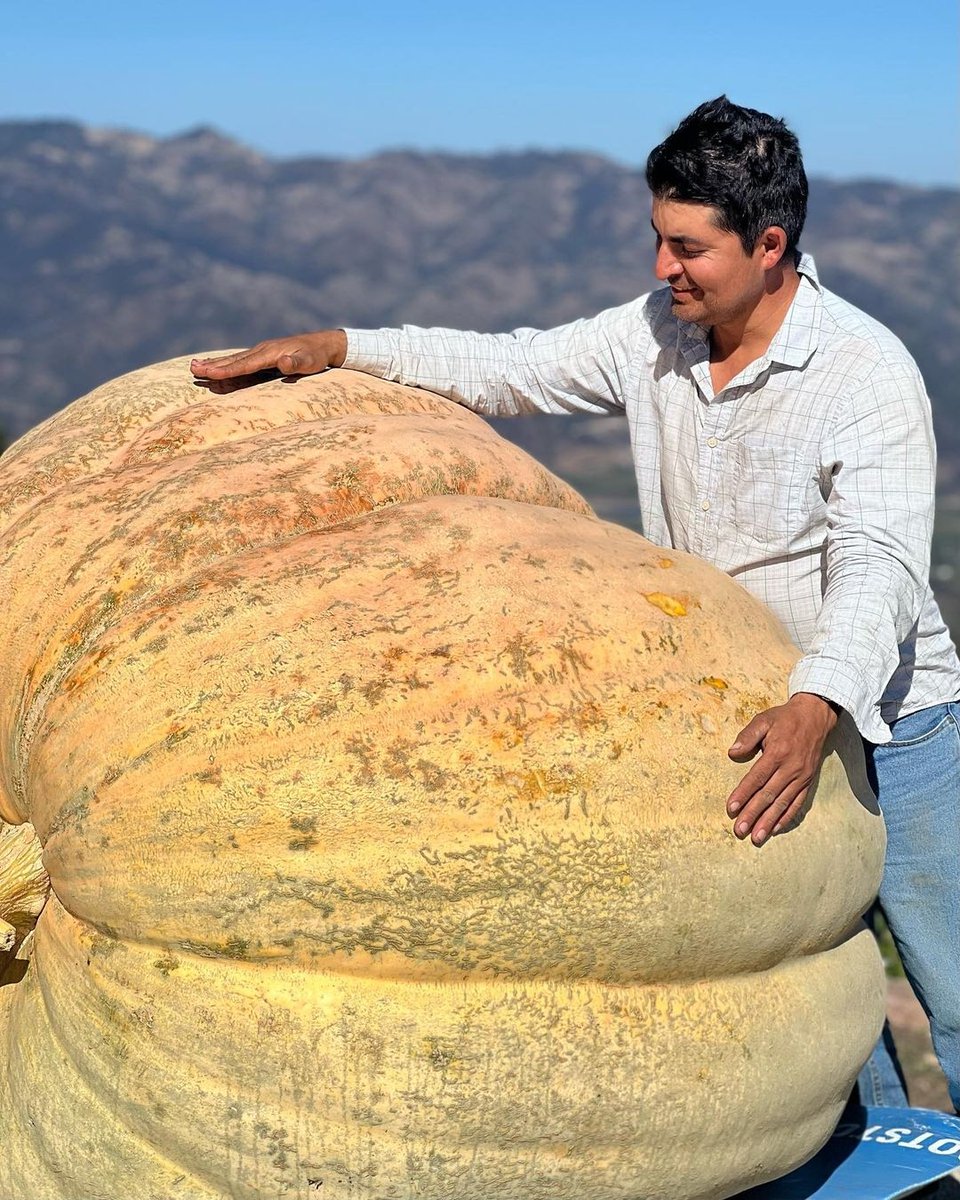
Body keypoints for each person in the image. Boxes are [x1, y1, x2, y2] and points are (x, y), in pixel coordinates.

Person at [192, 96, 960, 1111]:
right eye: (656, 239)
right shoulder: (655, 338)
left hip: (894, 726)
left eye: (688, 248)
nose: (660, 269)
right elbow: (510, 366)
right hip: (746, 717)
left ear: (769, 245)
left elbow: (879, 564)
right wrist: (343, 347)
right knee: (815, 1007)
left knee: (949, 986)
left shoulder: (863, 372)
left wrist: (816, 705)